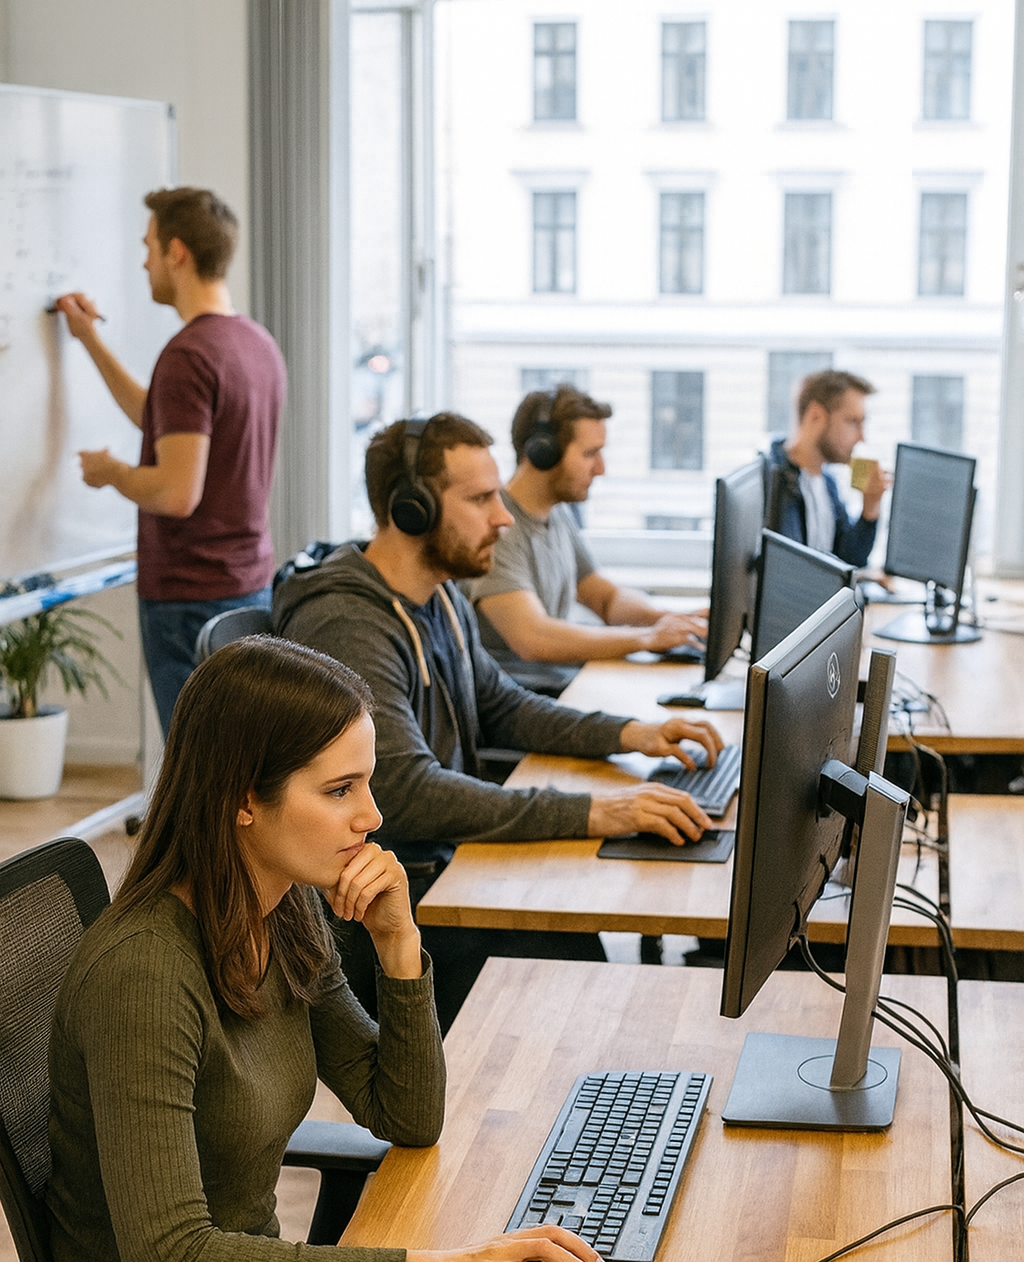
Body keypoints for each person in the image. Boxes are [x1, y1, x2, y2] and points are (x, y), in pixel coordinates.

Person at [46, 635, 631, 1262]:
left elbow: (406, 1113)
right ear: (243, 799)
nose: (373, 816)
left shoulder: (282, 909)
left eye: (368, 783)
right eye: (340, 790)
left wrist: (399, 943)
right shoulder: (146, 976)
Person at [273, 411, 723, 1030]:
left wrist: (630, 734)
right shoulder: (350, 625)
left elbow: (502, 704)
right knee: (578, 966)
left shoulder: (438, 595)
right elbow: (404, 793)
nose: (504, 517)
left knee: (585, 905)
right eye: (481, 498)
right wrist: (598, 810)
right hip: (389, 901)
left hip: (447, 865)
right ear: (411, 510)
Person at [54, 187, 287, 736]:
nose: (144, 262)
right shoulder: (254, 343)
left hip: (189, 598)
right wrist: (89, 340)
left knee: (200, 766)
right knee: (239, 756)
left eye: (149, 246)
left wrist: (112, 474)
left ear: (176, 252)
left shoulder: (188, 354)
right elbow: (160, 419)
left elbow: (177, 493)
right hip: (247, 585)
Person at [464, 385, 707, 695]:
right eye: (590, 454)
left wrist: (674, 620)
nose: (601, 469)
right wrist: (646, 638)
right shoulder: (498, 529)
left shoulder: (557, 513)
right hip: (524, 699)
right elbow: (532, 638)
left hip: (558, 685)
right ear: (543, 452)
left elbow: (604, 598)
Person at [764, 369, 887, 568]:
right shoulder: (774, 482)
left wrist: (870, 507)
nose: (861, 437)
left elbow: (849, 558)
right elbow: (790, 569)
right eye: (852, 422)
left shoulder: (826, 481)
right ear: (816, 416)